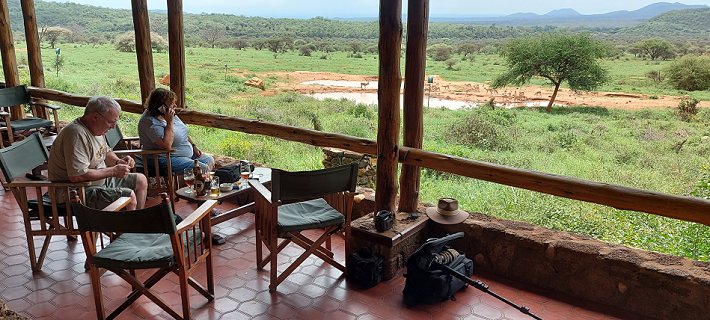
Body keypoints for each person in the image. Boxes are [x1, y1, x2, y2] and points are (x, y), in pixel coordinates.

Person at [48, 96, 148, 210]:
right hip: (75, 191)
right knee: (128, 196)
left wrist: (118, 161)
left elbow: (105, 152)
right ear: (95, 117)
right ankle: (131, 226)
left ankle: (139, 221)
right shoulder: (76, 134)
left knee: (141, 180)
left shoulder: (97, 130)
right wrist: (113, 171)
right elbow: (77, 176)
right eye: (111, 122)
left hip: (97, 183)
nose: (113, 127)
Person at [138, 88, 215, 173]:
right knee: (201, 168)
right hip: (164, 159)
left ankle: (198, 183)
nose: (175, 105)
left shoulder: (167, 114)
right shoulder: (150, 122)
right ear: (161, 107)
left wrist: (193, 146)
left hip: (183, 155)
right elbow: (166, 146)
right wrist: (169, 122)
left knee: (209, 160)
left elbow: (182, 131)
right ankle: (199, 184)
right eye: (172, 103)